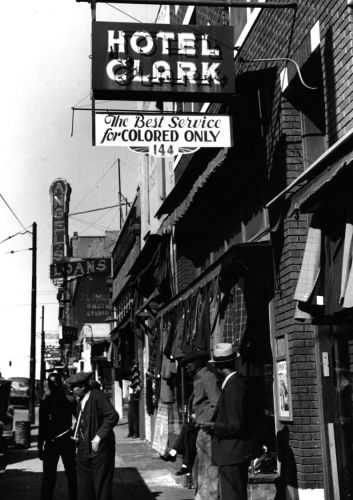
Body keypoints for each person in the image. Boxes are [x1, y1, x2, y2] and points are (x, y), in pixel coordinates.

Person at [200, 343, 260, 500]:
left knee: (233, 496)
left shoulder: (234, 387)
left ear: (218, 368)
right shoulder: (236, 383)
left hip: (232, 453)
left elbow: (235, 425)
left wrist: (212, 426)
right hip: (233, 453)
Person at [66, 371, 119, 500]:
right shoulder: (81, 401)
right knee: (84, 489)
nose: (71, 390)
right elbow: (82, 422)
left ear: (83, 387)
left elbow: (112, 416)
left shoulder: (97, 396)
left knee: (102, 488)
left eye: (74, 387)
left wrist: (98, 437)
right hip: (84, 451)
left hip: (100, 450)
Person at [181, 350, 221, 500]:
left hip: (207, 431)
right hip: (202, 429)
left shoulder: (207, 377)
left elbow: (216, 403)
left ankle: (207, 497)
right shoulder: (200, 378)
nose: (186, 368)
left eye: (188, 365)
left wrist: (206, 422)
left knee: (208, 469)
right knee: (201, 468)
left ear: (196, 364)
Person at [38, 372, 77, 500]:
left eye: (54, 383)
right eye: (51, 383)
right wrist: (40, 445)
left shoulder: (64, 400)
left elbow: (81, 418)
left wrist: (74, 433)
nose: (52, 385)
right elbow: (42, 427)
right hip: (57, 441)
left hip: (60, 441)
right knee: (56, 476)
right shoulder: (48, 402)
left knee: (66, 474)